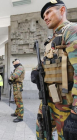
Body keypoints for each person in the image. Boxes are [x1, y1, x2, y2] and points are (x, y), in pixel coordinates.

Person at [36, 0, 77, 140]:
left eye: (48, 12)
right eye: (43, 16)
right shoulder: (50, 41)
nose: (45, 17)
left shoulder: (71, 31)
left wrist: (75, 112)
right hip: (48, 102)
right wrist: (37, 72)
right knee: (41, 134)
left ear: (62, 10)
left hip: (67, 107)